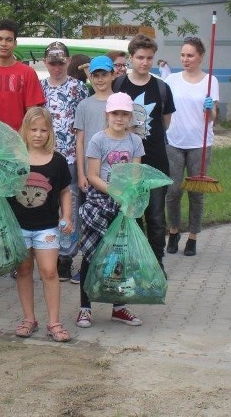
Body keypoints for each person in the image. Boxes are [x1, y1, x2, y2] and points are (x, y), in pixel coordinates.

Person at [77, 92, 145, 328]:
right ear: (107, 114)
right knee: (91, 254)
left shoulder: (135, 142)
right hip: (99, 201)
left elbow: (135, 175)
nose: (119, 118)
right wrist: (115, 190)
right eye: (115, 113)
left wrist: (129, 196)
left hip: (123, 204)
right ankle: (85, 308)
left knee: (119, 257)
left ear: (130, 117)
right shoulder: (98, 140)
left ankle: (118, 306)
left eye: (124, 114)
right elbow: (92, 175)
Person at [112, 34, 175, 274]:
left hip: (156, 161)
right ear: (131, 58)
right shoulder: (119, 85)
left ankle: (156, 262)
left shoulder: (161, 87)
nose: (145, 62)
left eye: (149, 58)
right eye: (140, 57)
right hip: (126, 164)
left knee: (156, 217)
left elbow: (165, 123)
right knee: (132, 216)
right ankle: (134, 260)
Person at [9, 107, 72, 342]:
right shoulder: (15, 160)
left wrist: (67, 215)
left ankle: (54, 322)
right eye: (33, 129)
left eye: (43, 130)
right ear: (24, 130)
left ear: (50, 133)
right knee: (24, 270)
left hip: (47, 227)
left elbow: (65, 191)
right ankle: (28, 319)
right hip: (19, 227)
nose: (37, 134)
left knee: (49, 271)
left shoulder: (58, 161)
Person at [165, 37, 219, 257]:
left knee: (196, 193)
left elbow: (213, 117)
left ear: (201, 57)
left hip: (200, 143)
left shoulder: (210, 81)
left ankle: (193, 237)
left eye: (190, 55)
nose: (185, 59)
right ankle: (174, 231)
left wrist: (210, 109)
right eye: (182, 55)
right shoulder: (171, 79)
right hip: (174, 141)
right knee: (173, 190)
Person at [40, 41, 89, 282]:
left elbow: (83, 124)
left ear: (68, 62)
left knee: (70, 207)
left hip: (70, 156)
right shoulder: (40, 88)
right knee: (46, 205)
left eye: (61, 62)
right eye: (52, 62)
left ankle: (66, 257)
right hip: (47, 156)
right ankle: (47, 252)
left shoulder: (79, 88)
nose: (56, 67)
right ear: (45, 63)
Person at [73, 56, 115, 279]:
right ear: (90, 77)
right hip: (91, 174)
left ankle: (108, 266)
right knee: (90, 222)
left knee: (112, 222)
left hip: (114, 174)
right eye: (96, 75)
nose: (100, 79)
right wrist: (81, 172)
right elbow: (80, 141)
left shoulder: (119, 102)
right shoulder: (84, 105)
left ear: (112, 75)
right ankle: (87, 265)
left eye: (104, 75)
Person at [0, 19, 45, 131]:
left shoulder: (28, 73)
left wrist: (20, 138)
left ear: (15, 43)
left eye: (8, 40)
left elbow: (32, 114)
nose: (3, 44)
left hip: (18, 141)